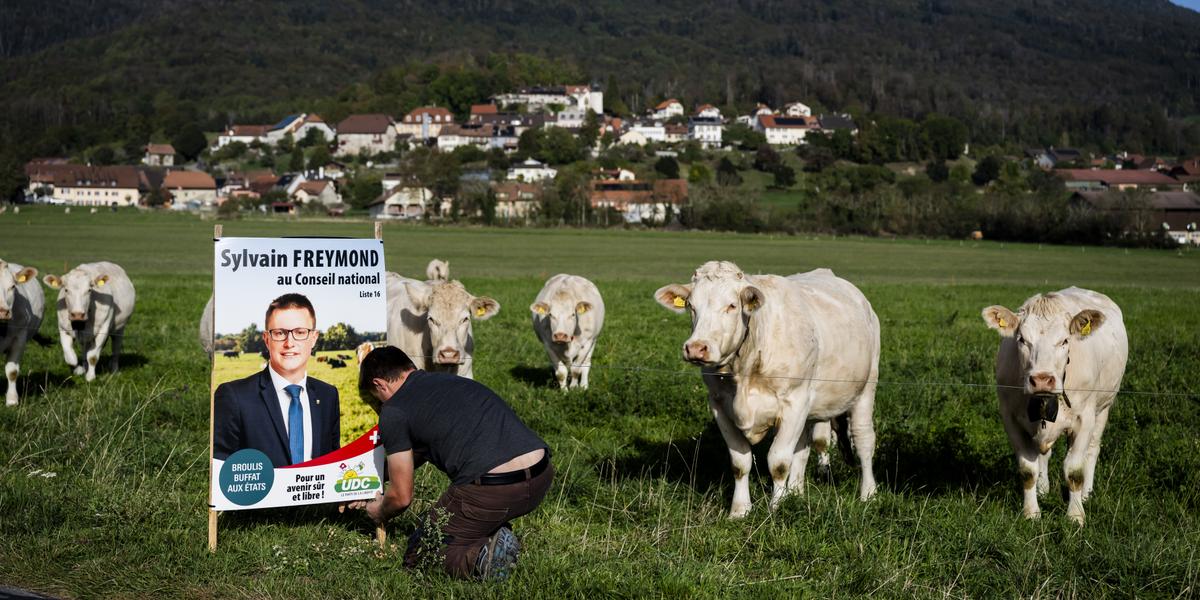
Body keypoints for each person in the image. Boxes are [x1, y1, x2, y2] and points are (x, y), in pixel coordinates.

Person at [354, 346, 552, 581]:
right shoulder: (447, 382)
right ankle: (489, 533)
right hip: (541, 474)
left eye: (374, 399)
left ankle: (482, 558)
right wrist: (373, 477)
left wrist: (378, 510)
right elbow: (417, 455)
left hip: (493, 489)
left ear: (379, 385)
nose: (378, 407)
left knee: (421, 555)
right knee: (469, 518)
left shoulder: (394, 410)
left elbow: (401, 498)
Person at [213, 293, 340, 468]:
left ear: (314, 338)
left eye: (300, 332)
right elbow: (222, 474)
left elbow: (332, 463)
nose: (290, 343)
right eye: (280, 333)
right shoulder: (234, 397)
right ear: (266, 339)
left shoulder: (328, 395)